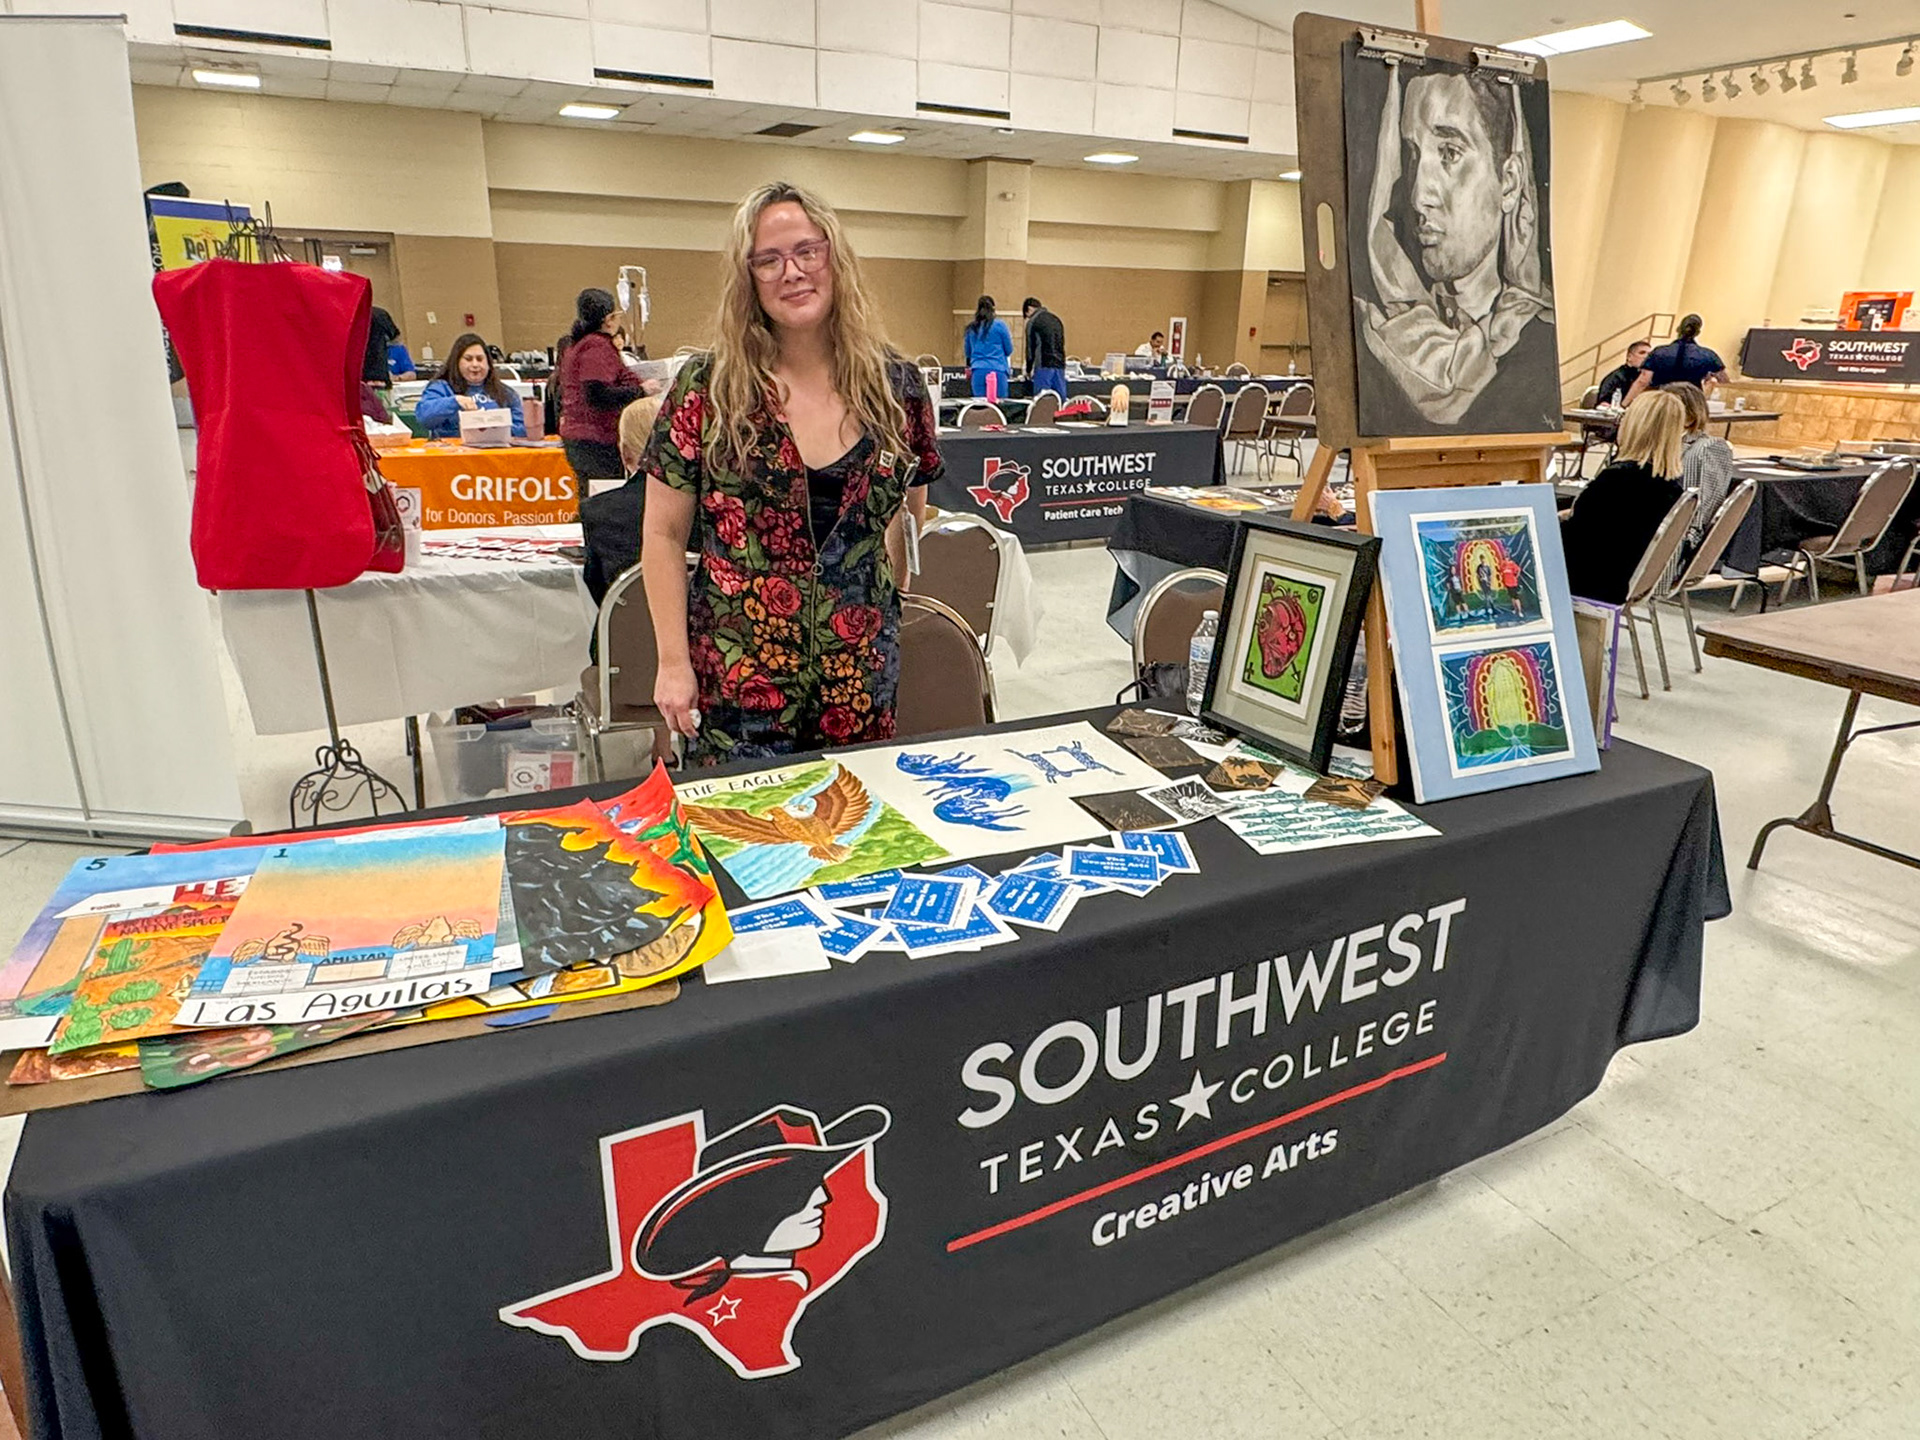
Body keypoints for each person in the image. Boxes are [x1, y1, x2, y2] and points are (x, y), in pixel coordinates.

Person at [639, 180, 941, 762]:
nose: (792, 272)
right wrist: (672, 663)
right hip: (736, 681)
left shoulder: (897, 388)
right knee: (738, 819)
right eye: (769, 260)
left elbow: (908, 515)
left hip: (859, 680)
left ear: (834, 256)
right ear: (748, 277)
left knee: (853, 815)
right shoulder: (708, 389)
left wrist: (887, 611)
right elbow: (663, 533)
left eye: (807, 251)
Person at [1355, 64, 1556, 431]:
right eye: (1412, 155)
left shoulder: (1536, 347)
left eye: (1449, 152)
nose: (1418, 196)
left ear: (1509, 183)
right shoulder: (1372, 329)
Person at [1559, 390, 1686, 604]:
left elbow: (1579, 540)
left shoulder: (1618, 479)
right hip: (1623, 577)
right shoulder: (1671, 485)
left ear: (1634, 426)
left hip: (1591, 580)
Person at [559, 287, 645, 481]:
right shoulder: (596, 346)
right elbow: (597, 394)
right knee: (604, 491)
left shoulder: (577, 345)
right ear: (609, 319)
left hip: (579, 437)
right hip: (596, 438)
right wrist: (640, 391)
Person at [413, 332, 526, 440]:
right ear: (457, 362)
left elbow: (522, 430)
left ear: (488, 363)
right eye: (468, 359)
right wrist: (454, 402)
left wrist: (496, 428)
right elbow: (424, 417)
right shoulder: (441, 387)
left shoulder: (506, 393)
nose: (475, 364)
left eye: (480, 359)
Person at [1669, 381, 1735, 546]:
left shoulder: (1709, 447)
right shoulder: (1654, 444)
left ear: (1690, 417)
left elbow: (1706, 505)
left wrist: (1687, 540)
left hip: (1677, 538)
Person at [1627, 314, 1728, 402]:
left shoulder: (1659, 352)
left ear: (1678, 329)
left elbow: (1642, 382)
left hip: (1662, 400)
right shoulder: (1708, 355)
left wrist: (1624, 405)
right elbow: (1725, 382)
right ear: (1697, 333)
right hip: (1691, 402)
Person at [962, 295, 1013, 398]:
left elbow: (968, 353)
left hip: (978, 371)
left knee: (980, 405)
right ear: (993, 308)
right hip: (998, 370)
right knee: (999, 404)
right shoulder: (1000, 325)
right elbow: (1009, 350)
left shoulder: (972, 328)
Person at [1022, 297, 1067, 401]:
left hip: (1043, 364)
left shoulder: (1033, 322)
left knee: (1042, 401)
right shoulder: (1056, 319)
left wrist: (1028, 369)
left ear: (1029, 309)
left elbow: (1030, 349)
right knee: (1060, 401)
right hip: (1060, 365)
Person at [1596, 340, 1651, 407]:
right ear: (1629, 357)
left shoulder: (1647, 377)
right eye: (1642, 353)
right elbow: (1603, 403)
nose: (1646, 356)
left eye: (1649, 354)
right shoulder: (1615, 377)